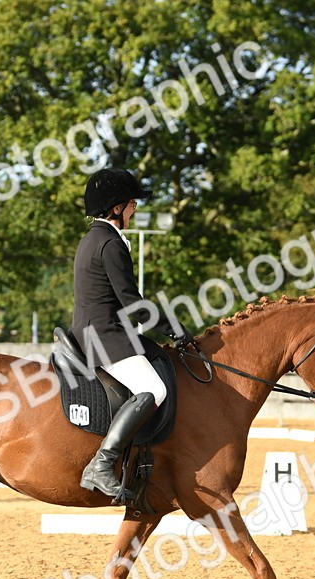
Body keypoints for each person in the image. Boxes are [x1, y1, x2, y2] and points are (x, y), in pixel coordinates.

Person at [71, 168, 194, 499]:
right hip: (104, 336)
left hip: (95, 330)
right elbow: (132, 303)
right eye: (131, 203)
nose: (135, 209)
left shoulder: (92, 238)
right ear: (115, 208)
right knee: (153, 388)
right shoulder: (109, 243)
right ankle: (101, 463)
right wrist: (176, 330)